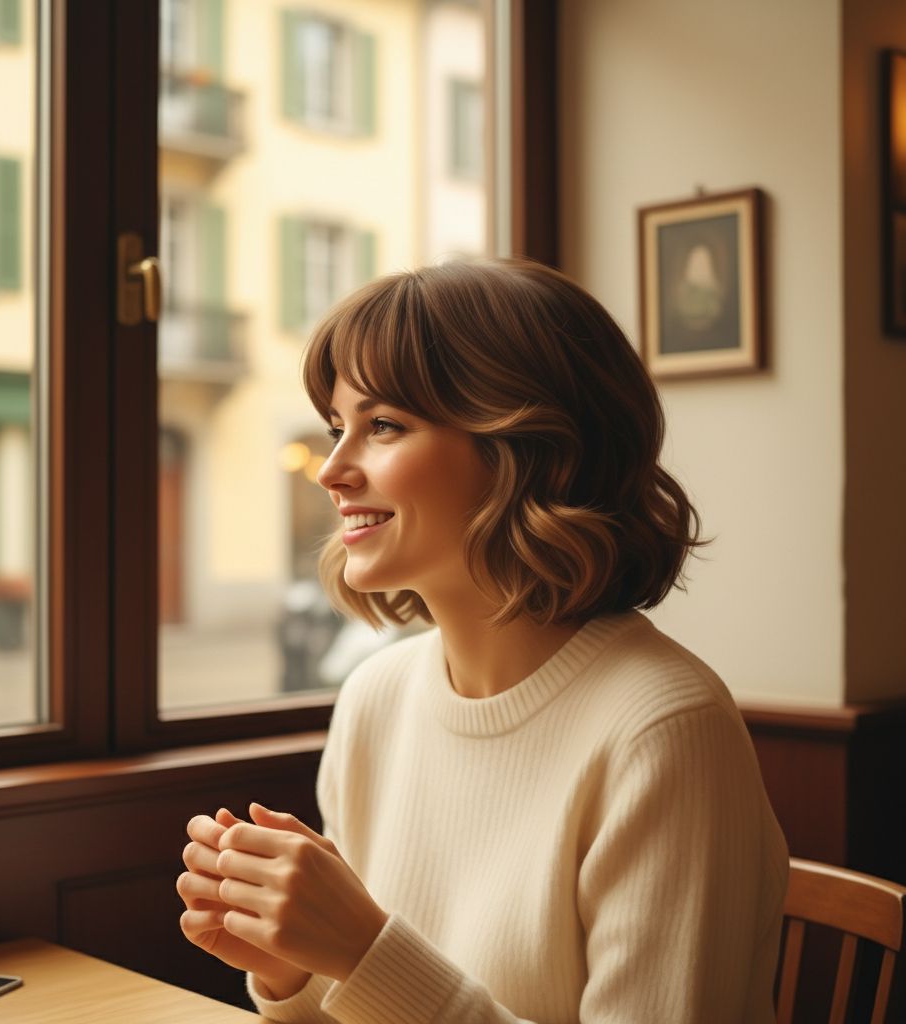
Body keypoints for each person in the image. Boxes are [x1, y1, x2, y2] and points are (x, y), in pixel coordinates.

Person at [177, 257, 789, 1023]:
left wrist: (366, 953)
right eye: (339, 428)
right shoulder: (377, 697)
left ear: (523, 451)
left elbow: (384, 978)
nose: (332, 469)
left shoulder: (663, 730)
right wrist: (292, 973)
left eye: (384, 426)